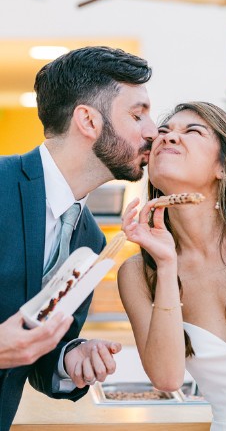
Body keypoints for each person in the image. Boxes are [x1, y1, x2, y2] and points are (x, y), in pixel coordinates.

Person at [0, 46, 157, 431]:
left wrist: (71, 357)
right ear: (87, 120)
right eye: (138, 115)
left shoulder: (90, 237)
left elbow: (35, 354)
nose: (153, 130)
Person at [118, 101, 226, 430]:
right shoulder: (138, 274)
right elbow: (167, 378)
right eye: (163, 132)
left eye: (192, 131)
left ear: (225, 167)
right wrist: (167, 265)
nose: (169, 138)